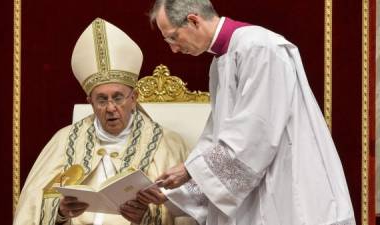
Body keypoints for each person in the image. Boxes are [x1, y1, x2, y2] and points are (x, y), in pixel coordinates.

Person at [138, 1, 356, 225]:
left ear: (193, 20)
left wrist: (190, 169)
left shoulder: (259, 48)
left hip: (283, 182)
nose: (173, 48)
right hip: (255, 179)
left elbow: (255, 134)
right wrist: (175, 192)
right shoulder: (221, 60)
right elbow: (217, 135)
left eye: (173, 37)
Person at [13, 18, 196, 225]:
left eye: (118, 97)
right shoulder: (65, 140)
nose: (110, 107)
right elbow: (31, 205)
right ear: (89, 101)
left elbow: (188, 213)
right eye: (101, 99)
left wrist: (146, 217)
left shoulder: (168, 144)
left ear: (134, 98)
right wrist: (60, 211)